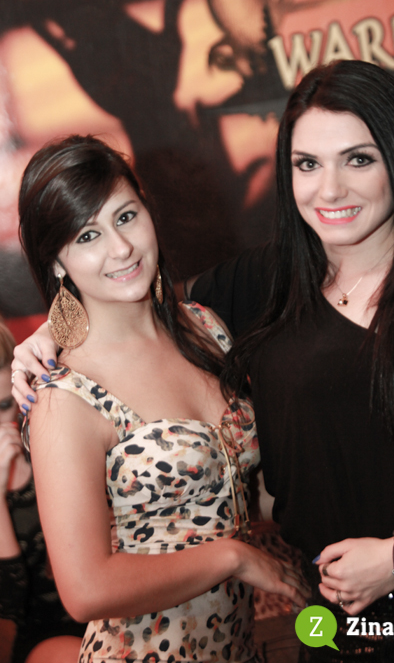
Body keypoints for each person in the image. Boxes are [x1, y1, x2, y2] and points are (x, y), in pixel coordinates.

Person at [12, 61, 394, 658]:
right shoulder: (268, 282)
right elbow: (128, 299)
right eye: (307, 164)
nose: (330, 189)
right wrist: (50, 332)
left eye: (358, 159)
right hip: (320, 624)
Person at [13, 135, 307, 663]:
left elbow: (241, 490)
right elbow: (85, 590)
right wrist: (234, 558)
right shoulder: (65, 396)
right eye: (88, 235)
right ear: (57, 261)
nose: (121, 248)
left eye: (126, 217)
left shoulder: (205, 329)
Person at [0, 319, 84, 663]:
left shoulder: (42, 439)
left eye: (3, 406)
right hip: (33, 635)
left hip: (101, 610)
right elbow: (8, 604)